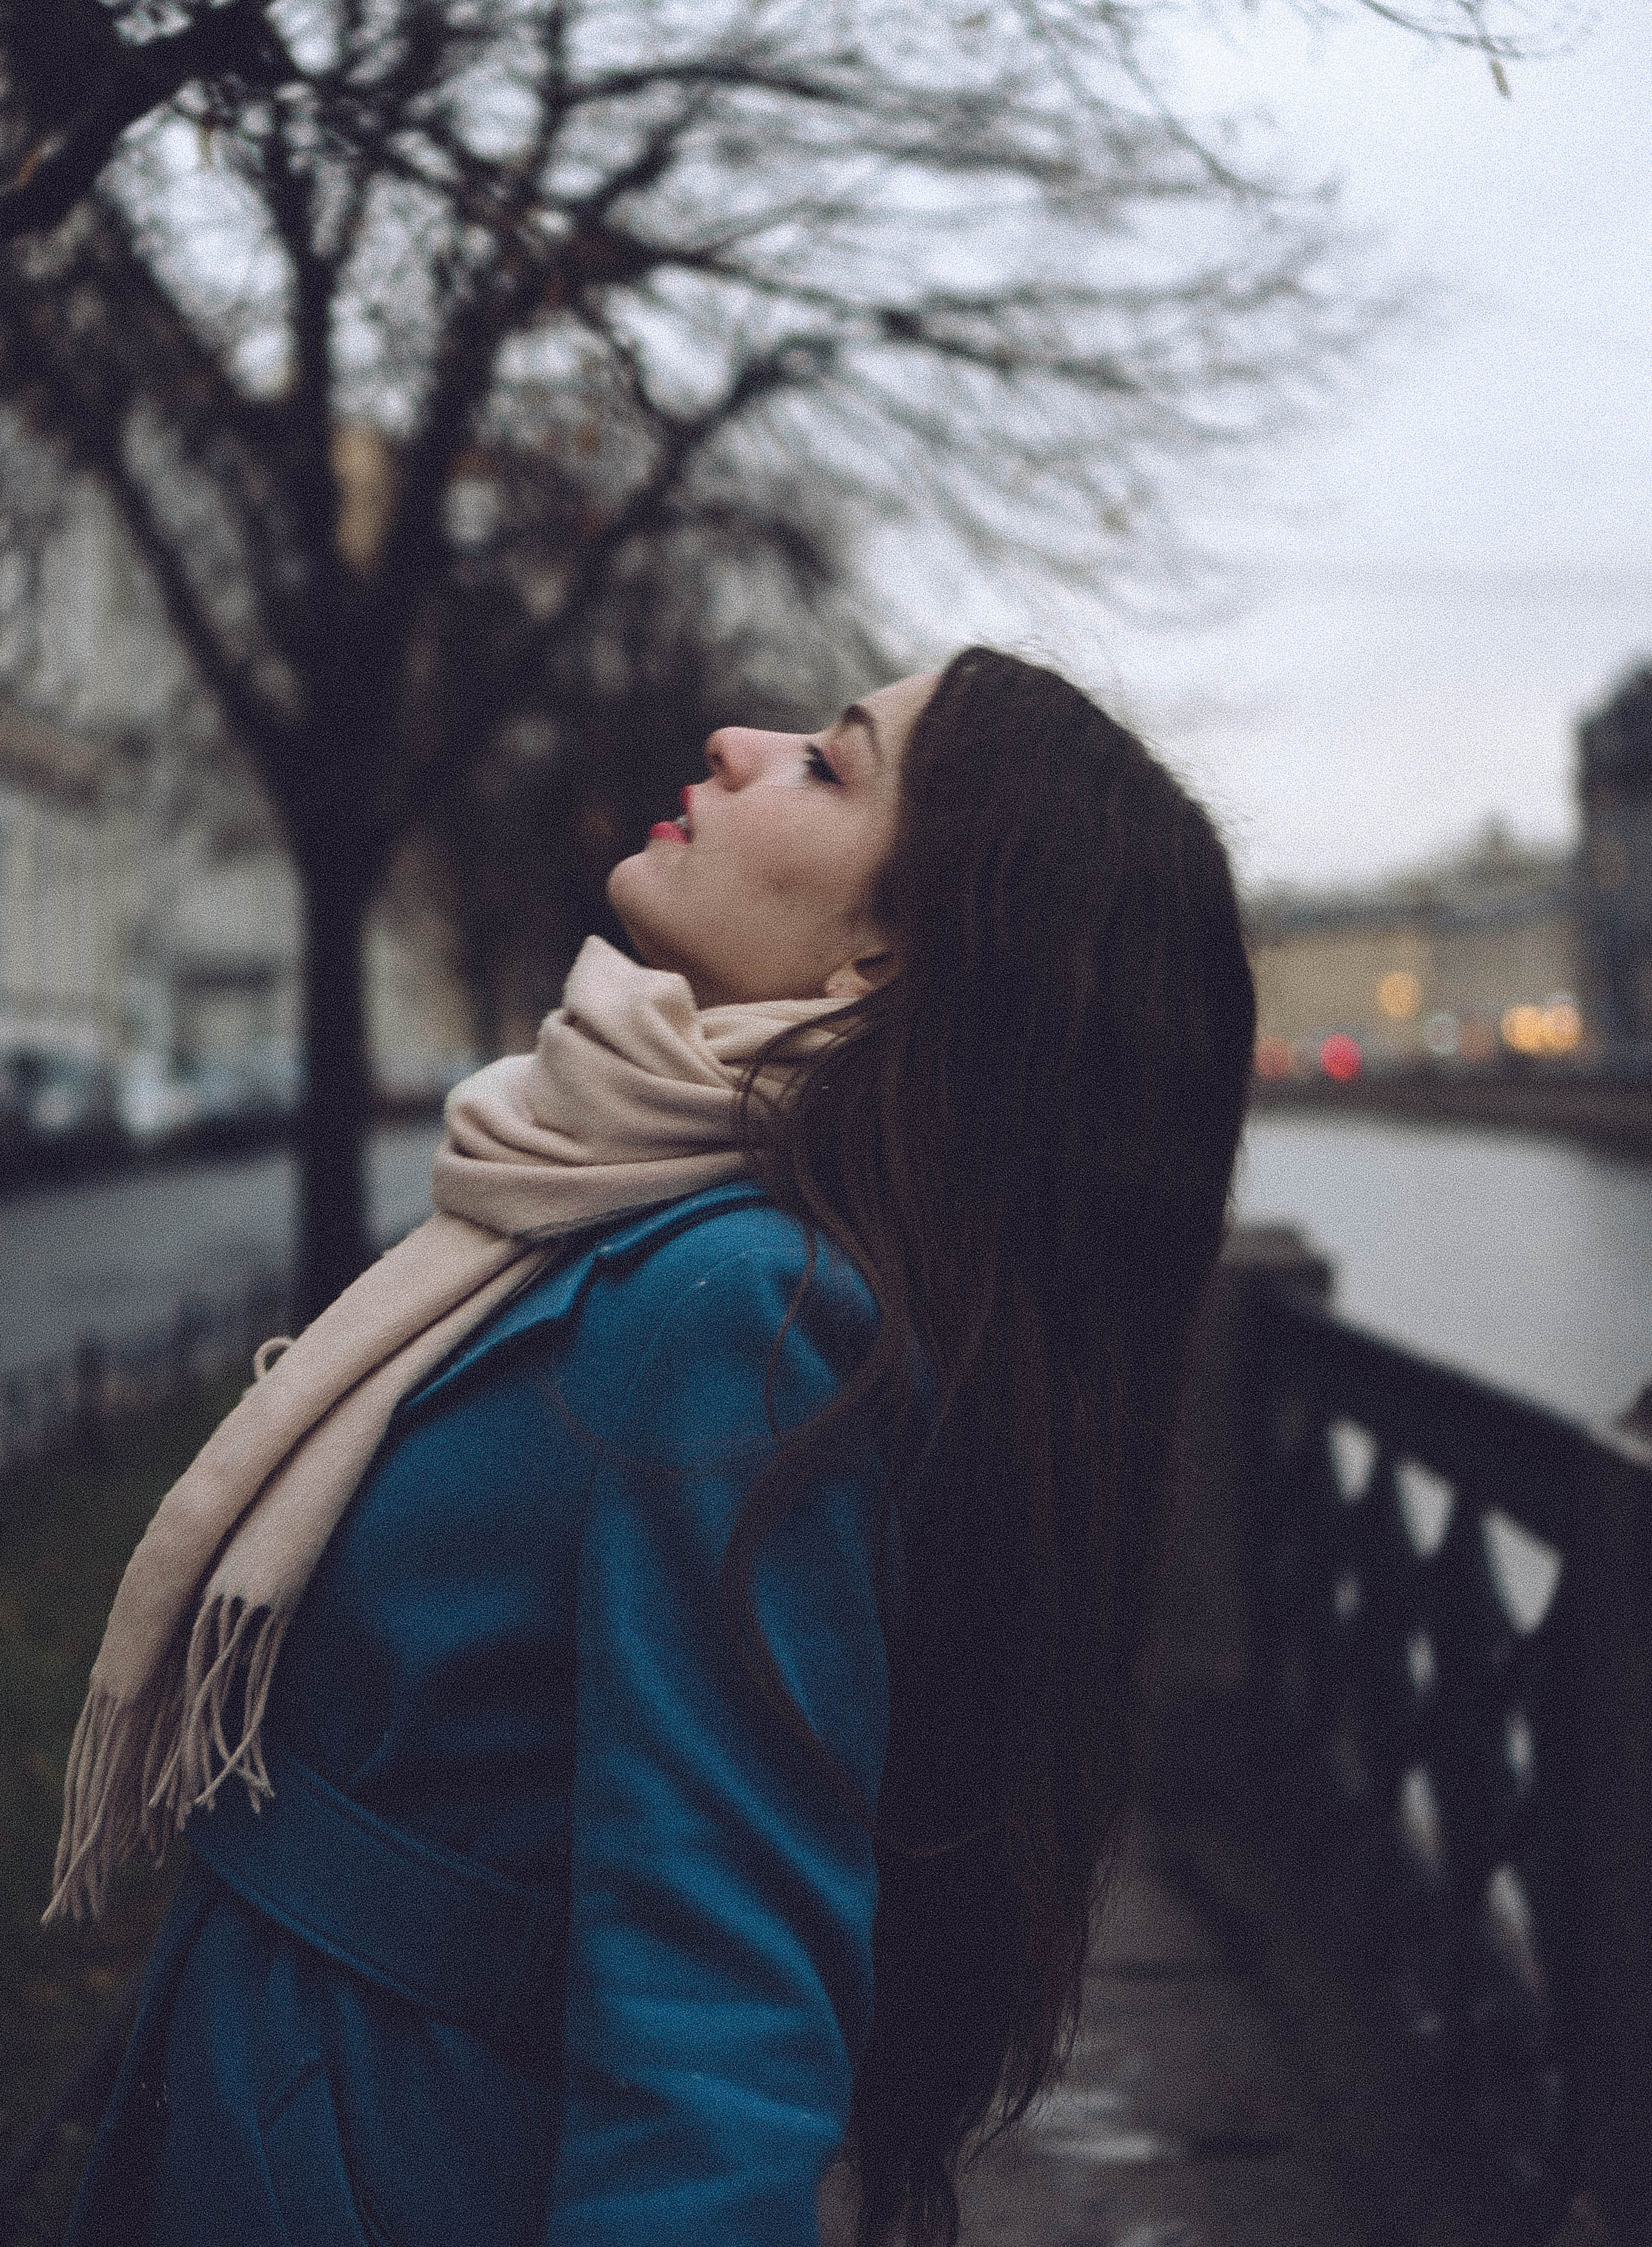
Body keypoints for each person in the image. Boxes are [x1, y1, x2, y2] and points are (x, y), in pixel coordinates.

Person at [49, 645, 1255, 2247]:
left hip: (387, 2151)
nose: (736, 741)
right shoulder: (634, 1210)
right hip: (279, 2087)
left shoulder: (744, 1308)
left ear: (891, 954)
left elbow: (718, 1985)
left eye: (827, 766)